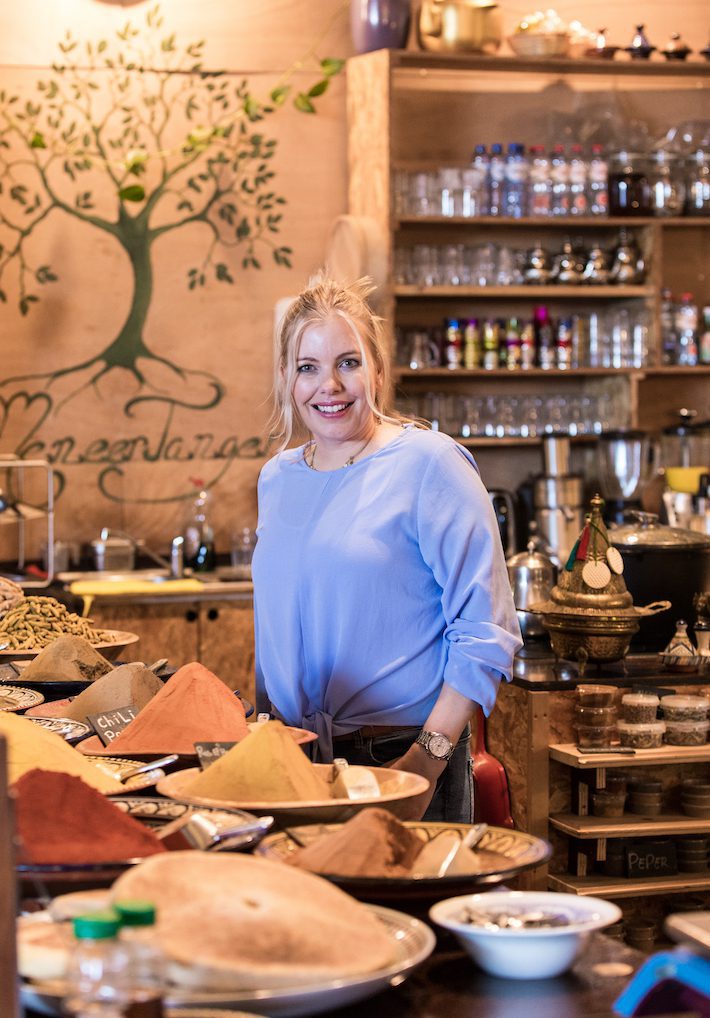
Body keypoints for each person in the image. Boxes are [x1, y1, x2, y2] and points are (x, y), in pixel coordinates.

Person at [252, 274, 522, 822]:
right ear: (286, 378)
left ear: (377, 369)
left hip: (399, 756)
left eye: (348, 362)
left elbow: (484, 635)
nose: (329, 385)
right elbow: (274, 621)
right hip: (297, 759)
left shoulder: (430, 464)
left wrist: (426, 762)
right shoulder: (276, 478)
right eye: (309, 367)